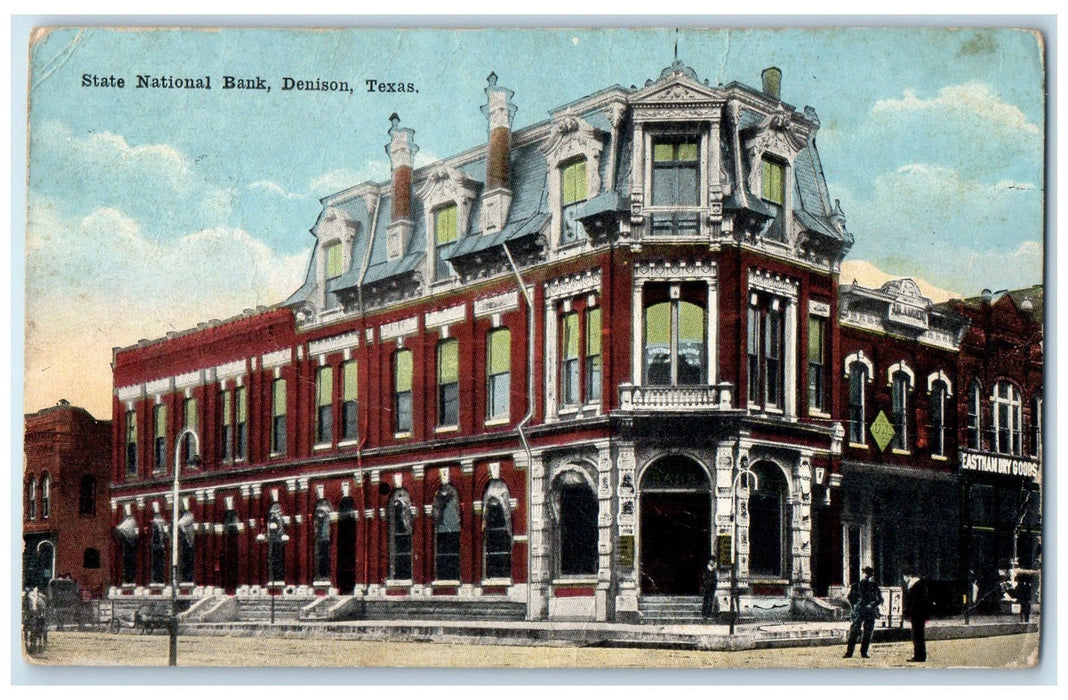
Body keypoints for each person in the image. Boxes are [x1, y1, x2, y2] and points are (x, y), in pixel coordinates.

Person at [843, 565, 882, 658]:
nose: (867, 576)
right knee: (854, 631)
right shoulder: (856, 586)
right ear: (863, 574)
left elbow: (879, 599)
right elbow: (849, 597)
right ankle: (850, 652)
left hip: (869, 611)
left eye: (869, 574)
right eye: (866, 574)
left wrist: (872, 605)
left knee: (867, 632)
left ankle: (863, 652)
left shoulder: (874, 586)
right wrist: (854, 606)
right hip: (859, 611)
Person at [903, 569, 931, 662]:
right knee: (919, 635)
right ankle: (920, 655)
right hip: (920, 614)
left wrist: (907, 614)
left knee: (917, 635)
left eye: (905, 577)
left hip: (916, 615)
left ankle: (919, 656)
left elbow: (913, 603)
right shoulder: (921, 585)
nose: (904, 579)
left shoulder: (915, 585)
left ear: (909, 576)